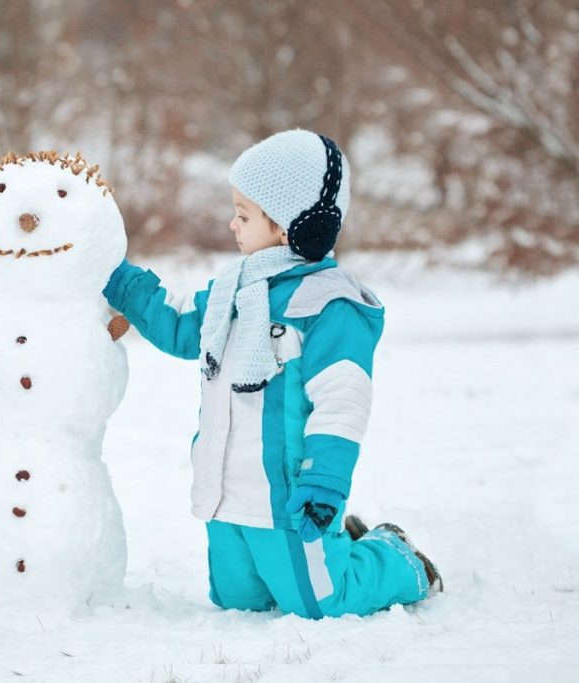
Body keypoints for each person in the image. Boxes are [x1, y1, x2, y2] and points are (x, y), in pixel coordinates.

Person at [103, 129, 441, 618]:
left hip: (287, 498)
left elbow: (342, 400)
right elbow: (178, 326)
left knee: (322, 602)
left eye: (243, 215)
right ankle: (335, 546)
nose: (231, 224)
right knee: (238, 601)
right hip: (225, 493)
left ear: (289, 228)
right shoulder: (233, 294)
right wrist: (116, 278)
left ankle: (397, 557)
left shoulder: (327, 304)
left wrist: (325, 482)